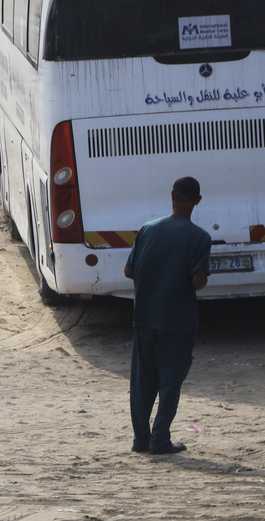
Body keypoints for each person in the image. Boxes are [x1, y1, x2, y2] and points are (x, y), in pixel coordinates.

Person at [123, 177, 211, 455]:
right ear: (198, 201)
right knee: (170, 382)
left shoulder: (147, 230)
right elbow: (197, 281)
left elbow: (129, 271)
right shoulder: (200, 237)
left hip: (145, 316)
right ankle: (160, 440)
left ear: (172, 195)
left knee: (142, 382)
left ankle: (141, 440)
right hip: (178, 320)